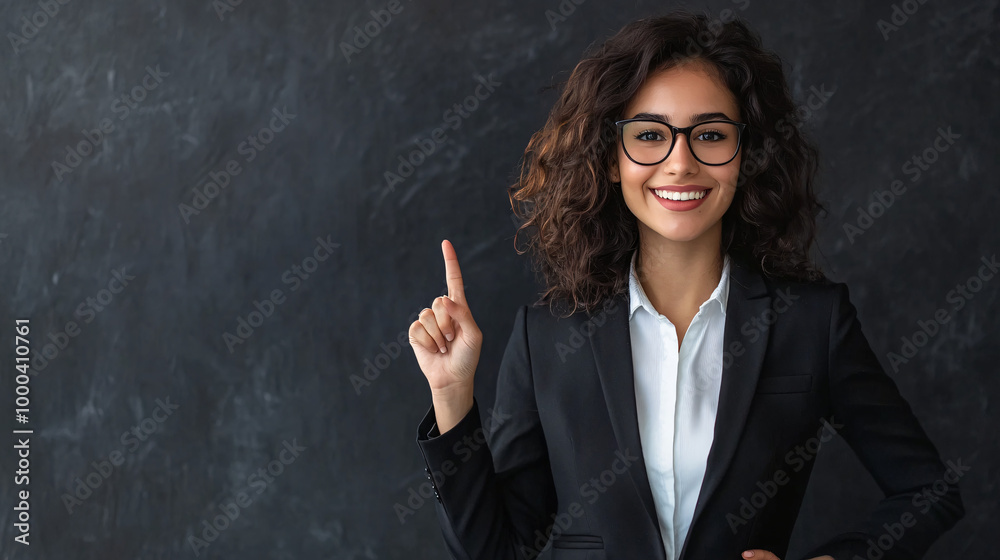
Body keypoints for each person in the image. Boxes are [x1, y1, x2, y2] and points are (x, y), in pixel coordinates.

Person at [408, 9, 964, 560]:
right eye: (650, 135)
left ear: (744, 156)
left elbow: (929, 492)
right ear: (610, 160)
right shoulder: (547, 338)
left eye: (711, 134)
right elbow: (495, 551)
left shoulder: (812, 323)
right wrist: (452, 396)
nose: (680, 163)